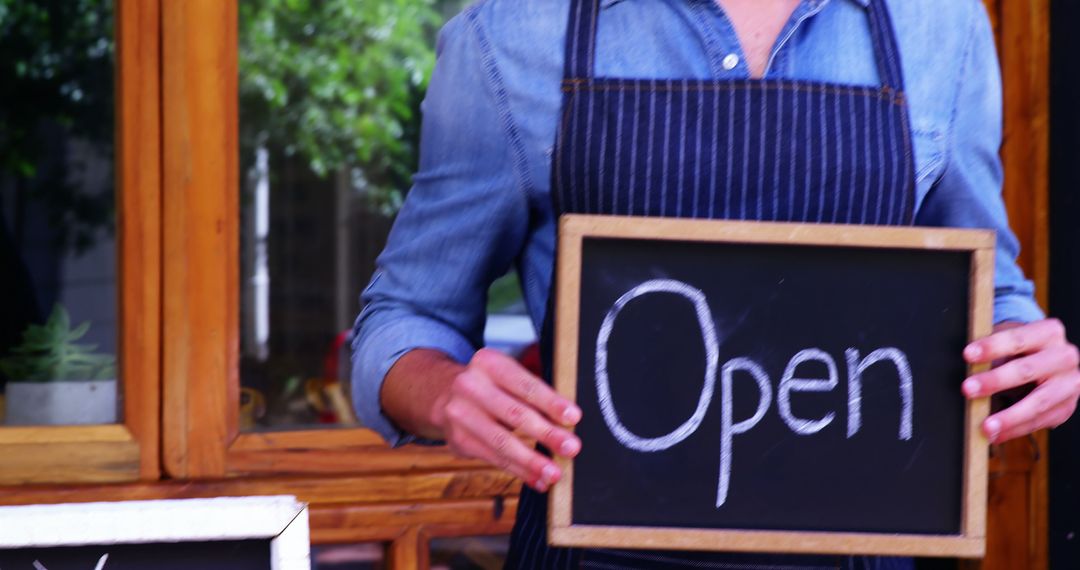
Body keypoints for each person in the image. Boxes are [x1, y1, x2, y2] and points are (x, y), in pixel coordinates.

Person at [352, 0, 1080, 567]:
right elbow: (402, 319)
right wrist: (445, 393)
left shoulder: (940, 29)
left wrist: (1025, 356)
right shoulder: (511, 34)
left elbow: (987, 287)